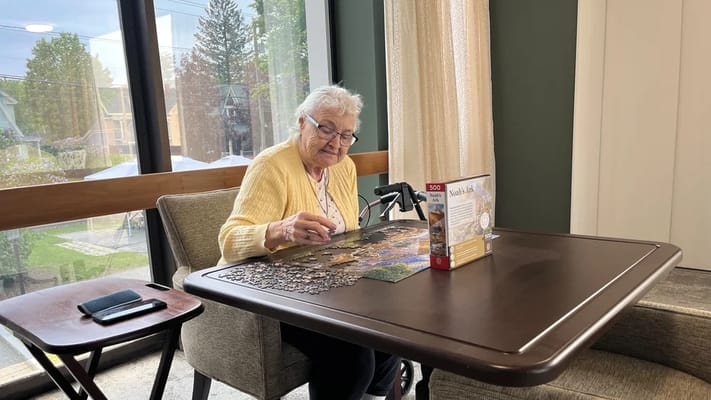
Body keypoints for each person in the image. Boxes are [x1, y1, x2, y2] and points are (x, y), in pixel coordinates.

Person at [218, 84, 400, 400]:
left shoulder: (345, 167)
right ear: (302, 122)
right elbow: (229, 241)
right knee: (351, 352)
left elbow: (349, 233)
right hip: (273, 294)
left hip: (329, 288)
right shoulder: (271, 165)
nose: (337, 143)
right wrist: (280, 230)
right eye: (327, 129)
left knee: (392, 332)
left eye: (346, 135)